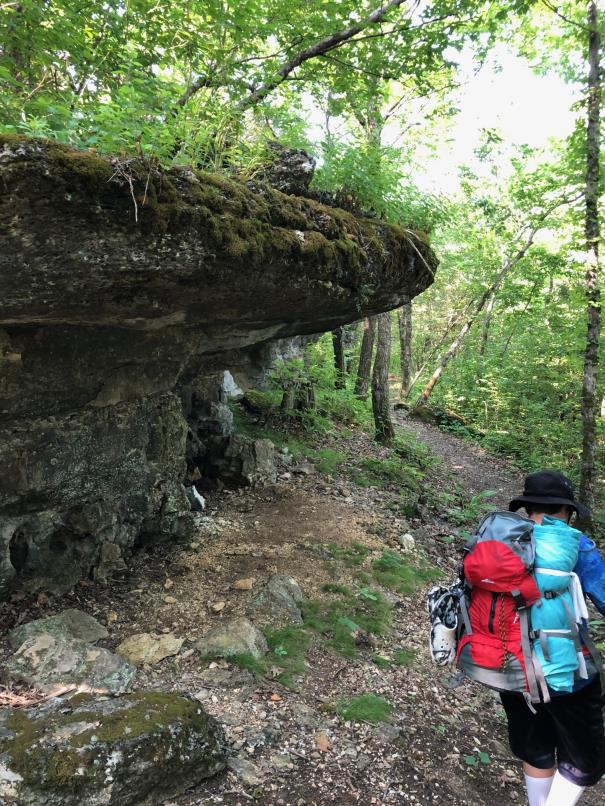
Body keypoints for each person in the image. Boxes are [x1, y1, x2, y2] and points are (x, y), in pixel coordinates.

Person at [501, 470, 605, 806]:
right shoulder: (578, 546)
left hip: (510, 667)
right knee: (584, 762)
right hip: (570, 675)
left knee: (538, 748)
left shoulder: (503, 543)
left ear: (528, 507)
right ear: (568, 511)